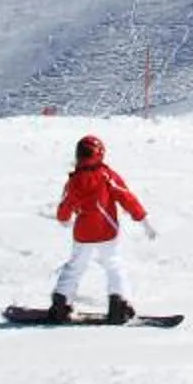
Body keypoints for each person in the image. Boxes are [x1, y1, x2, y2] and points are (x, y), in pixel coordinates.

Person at [44, 134, 151, 323]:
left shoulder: (75, 180)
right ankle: (119, 303)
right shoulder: (107, 176)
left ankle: (61, 302)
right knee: (113, 265)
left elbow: (66, 204)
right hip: (106, 231)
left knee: (75, 267)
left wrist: (64, 218)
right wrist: (141, 218)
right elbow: (126, 197)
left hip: (83, 234)